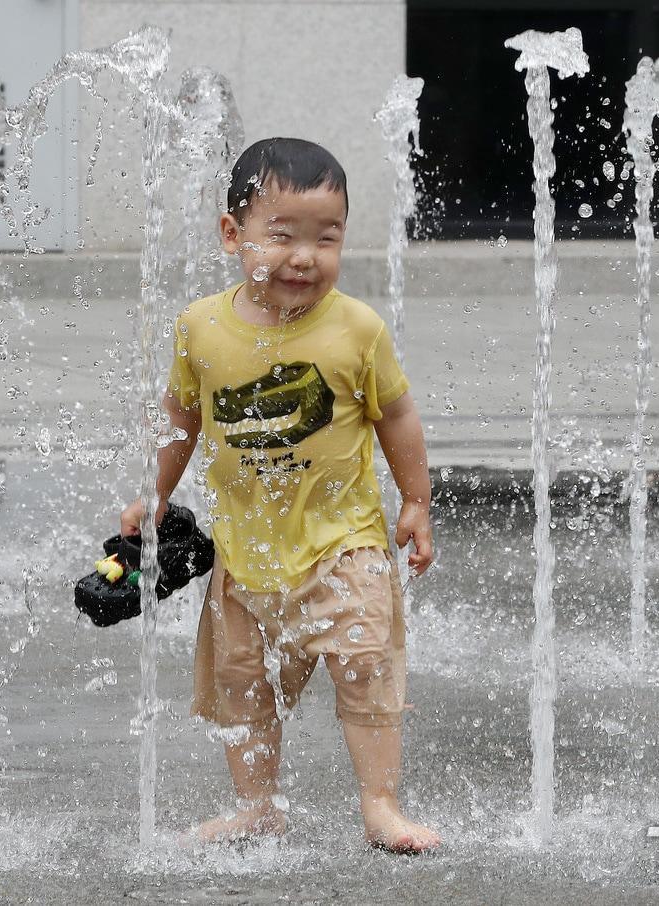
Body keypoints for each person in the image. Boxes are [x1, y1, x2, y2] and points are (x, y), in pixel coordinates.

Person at [120, 137, 440, 854]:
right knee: (241, 684)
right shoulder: (201, 327)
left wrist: (415, 501)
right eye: (283, 236)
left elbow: (396, 414)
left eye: (327, 239)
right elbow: (181, 418)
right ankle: (257, 806)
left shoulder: (356, 328)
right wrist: (155, 493)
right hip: (247, 555)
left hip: (342, 544)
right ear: (233, 235)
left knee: (364, 667)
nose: (305, 257)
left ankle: (381, 806)